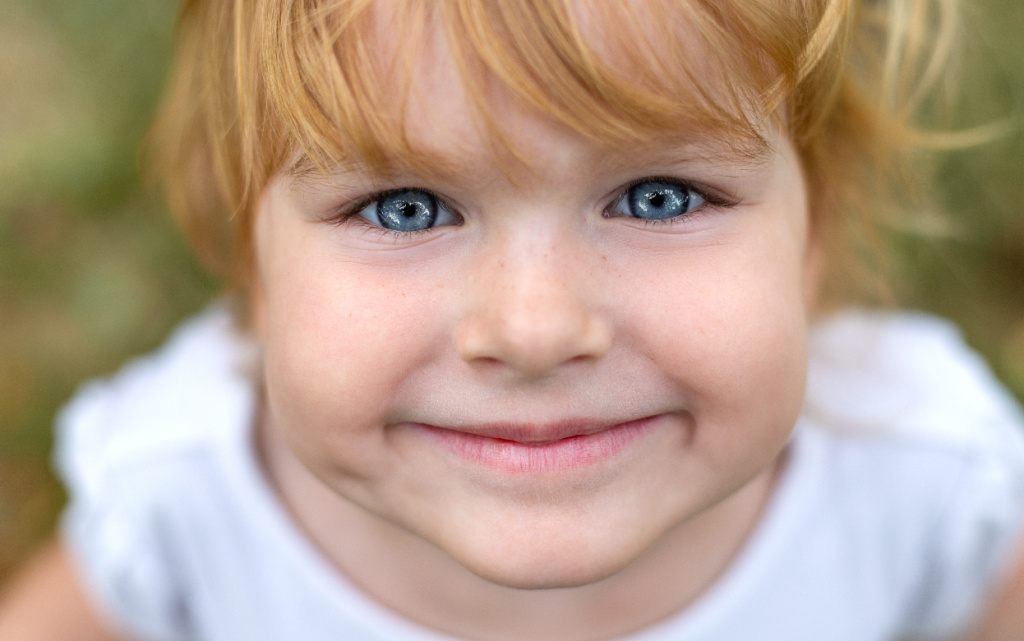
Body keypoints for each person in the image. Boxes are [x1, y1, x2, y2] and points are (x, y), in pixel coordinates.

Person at [1, 0, 1023, 639]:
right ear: (252, 267)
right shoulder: (189, 504)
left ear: (811, 236)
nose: (535, 329)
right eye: (405, 209)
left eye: (659, 196)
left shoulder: (918, 477)